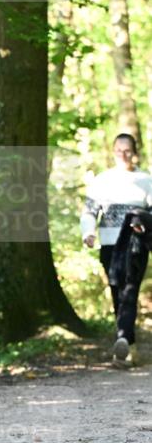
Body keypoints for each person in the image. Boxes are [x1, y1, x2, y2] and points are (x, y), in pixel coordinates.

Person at [80, 133, 152, 366]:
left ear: (134, 151)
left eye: (127, 150)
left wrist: (144, 223)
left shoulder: (146, 180)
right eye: (119, 150)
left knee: (130, 290)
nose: (123, 154)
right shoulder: (102, 181)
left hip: (136, 244)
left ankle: (121, 338)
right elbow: (89, 211)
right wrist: (88, 232)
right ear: (113, 152)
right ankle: (126, 347)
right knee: (116, 291)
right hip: (110, 244)